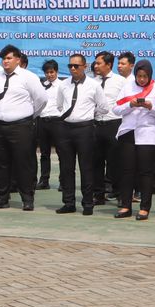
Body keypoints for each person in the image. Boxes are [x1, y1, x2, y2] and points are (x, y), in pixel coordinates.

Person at [0, 45, 47, 212]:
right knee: (1, 163)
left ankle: (27, 198)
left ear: (18, 60)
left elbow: (41, 99)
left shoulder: (28, 77)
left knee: (24, 163)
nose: (5, 61)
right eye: (3, 58)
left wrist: (29, 116)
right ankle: (1, 197)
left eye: (9, 58)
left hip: (21, 126)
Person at [112, 59, 155, 220]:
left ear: (150, 75)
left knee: (145, 172)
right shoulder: (127, 87)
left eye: (145, 76)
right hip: (128, 133)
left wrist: (151, 107)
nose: (142, 79)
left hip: (148, 135)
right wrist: (129, 105)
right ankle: (125, 206)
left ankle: (145, 207)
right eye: (139, 76)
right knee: (126, 171)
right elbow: (116, 109)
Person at [48, 52, 101, 214]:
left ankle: (87, 204)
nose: (72, 68)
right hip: (65, 129)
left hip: (85, 129)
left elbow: (103, 107)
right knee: (66, 168)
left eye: (76, 66)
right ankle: (69, 202)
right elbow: (59, 106)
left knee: (86, 168)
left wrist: (87, 117)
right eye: (70, 65)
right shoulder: (63, 85)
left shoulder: (93, 85)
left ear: (84, 67)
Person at [91, 51, 130, 208]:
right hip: (95, 124)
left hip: (114, 124)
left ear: (108, 65)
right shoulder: (91, 82)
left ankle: (120, 194)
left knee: (116, 163)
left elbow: (126, 103)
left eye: (99, 63)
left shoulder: (121, 81)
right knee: (96, 162)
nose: (96, 66)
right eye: (95, 63)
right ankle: (98, 195)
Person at [35, 59, 63, 190]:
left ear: (56, 71)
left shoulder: (63, 85)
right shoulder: (41, 85)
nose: (49, 75)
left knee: (61, 152)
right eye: (47, 72)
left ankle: (63, 181)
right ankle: (44, 180)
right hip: (43, 121)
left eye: (51, 72)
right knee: (44, 153)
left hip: (57, 121)